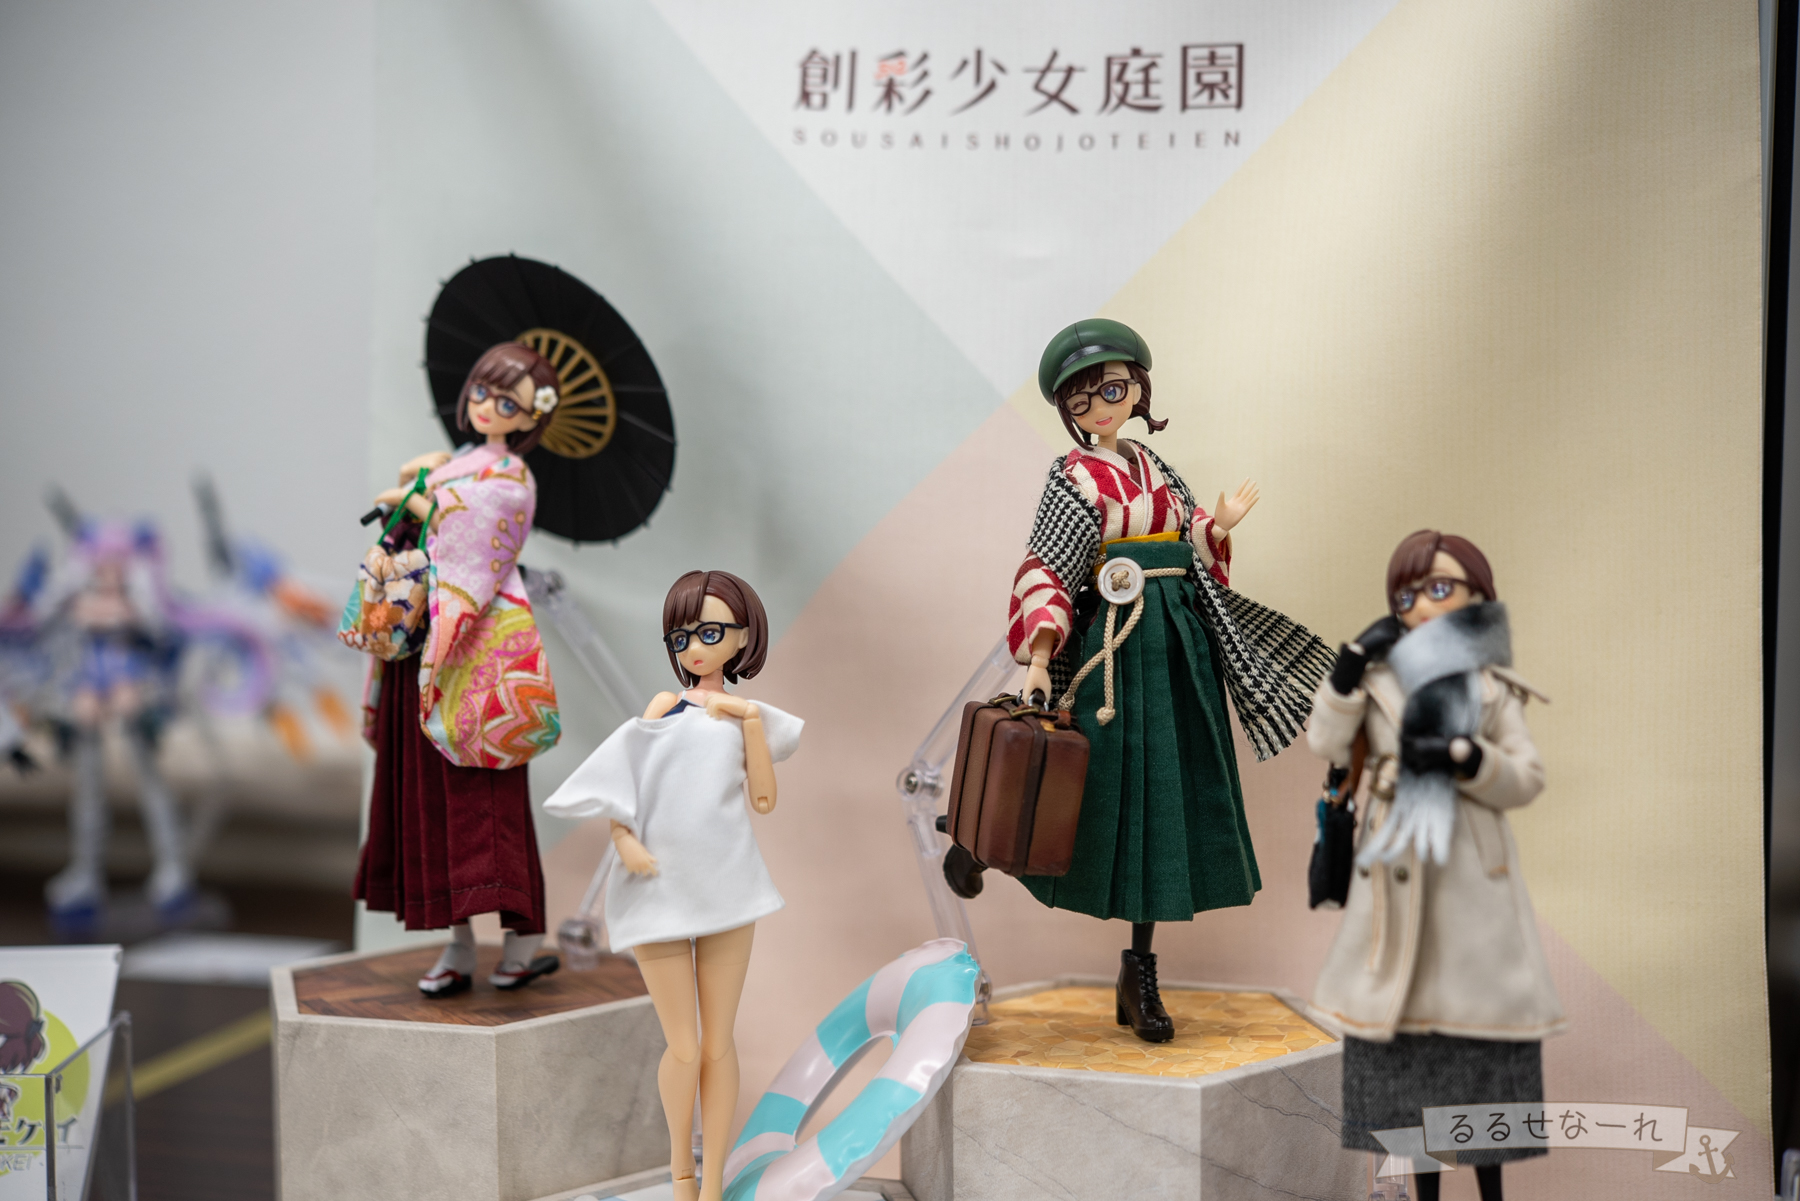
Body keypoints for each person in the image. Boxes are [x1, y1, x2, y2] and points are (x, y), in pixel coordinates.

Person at [1000, 318, 1331, 1043]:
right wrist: (1040, 655)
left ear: (1137, 391)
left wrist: (1218, 526)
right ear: (1067, 411)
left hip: (1178, 640)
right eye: (1082, 400)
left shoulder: (1153, 464)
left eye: (1112, 391)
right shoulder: (1072, 477)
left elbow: (1188, 540)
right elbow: (1046, 566)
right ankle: (978, 845)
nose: (1100, 409)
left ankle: (1139, 967)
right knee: (1088, 786)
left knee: (1169, 797)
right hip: (1116, 648)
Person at [1309, 530, 1563, 1201]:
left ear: (1479, 594)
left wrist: (1464, 756)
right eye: (1407, 594)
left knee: (1482, 1056)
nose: (1422, 604)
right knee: (1405, 1067)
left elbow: (1527, 777)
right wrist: (1349, 665)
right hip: (1395, 878)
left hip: (1472, 888)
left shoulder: (1491, 685)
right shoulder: (1377, 679)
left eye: (1440, 588)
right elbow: (1327, 743)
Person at [544, 570, 801, 1201]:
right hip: (657, 888)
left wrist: (747, 720)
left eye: (709, 633)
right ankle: (680, 1169)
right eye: (681, 637)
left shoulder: (744, 717)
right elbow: (624, 778)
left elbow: (763, 800)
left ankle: (712, 1181)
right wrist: (623, 838)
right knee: (683, 1046)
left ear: (743, 637)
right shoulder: (664, 708)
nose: (694, 648)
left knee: (718, 1045)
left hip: (727, 887)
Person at [348, 341, 563, 996]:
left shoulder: (513, 478)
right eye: (482, 392)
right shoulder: (457, 463)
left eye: (508, 402)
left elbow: (476, 545)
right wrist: (419, 485)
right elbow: (427, 533)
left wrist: (420, 502)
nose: (488, 407)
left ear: (531, 416)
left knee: (484, 803)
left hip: (474, 653)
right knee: (423, 798)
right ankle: (458, 941)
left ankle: (524, 938)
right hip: (422, 642)